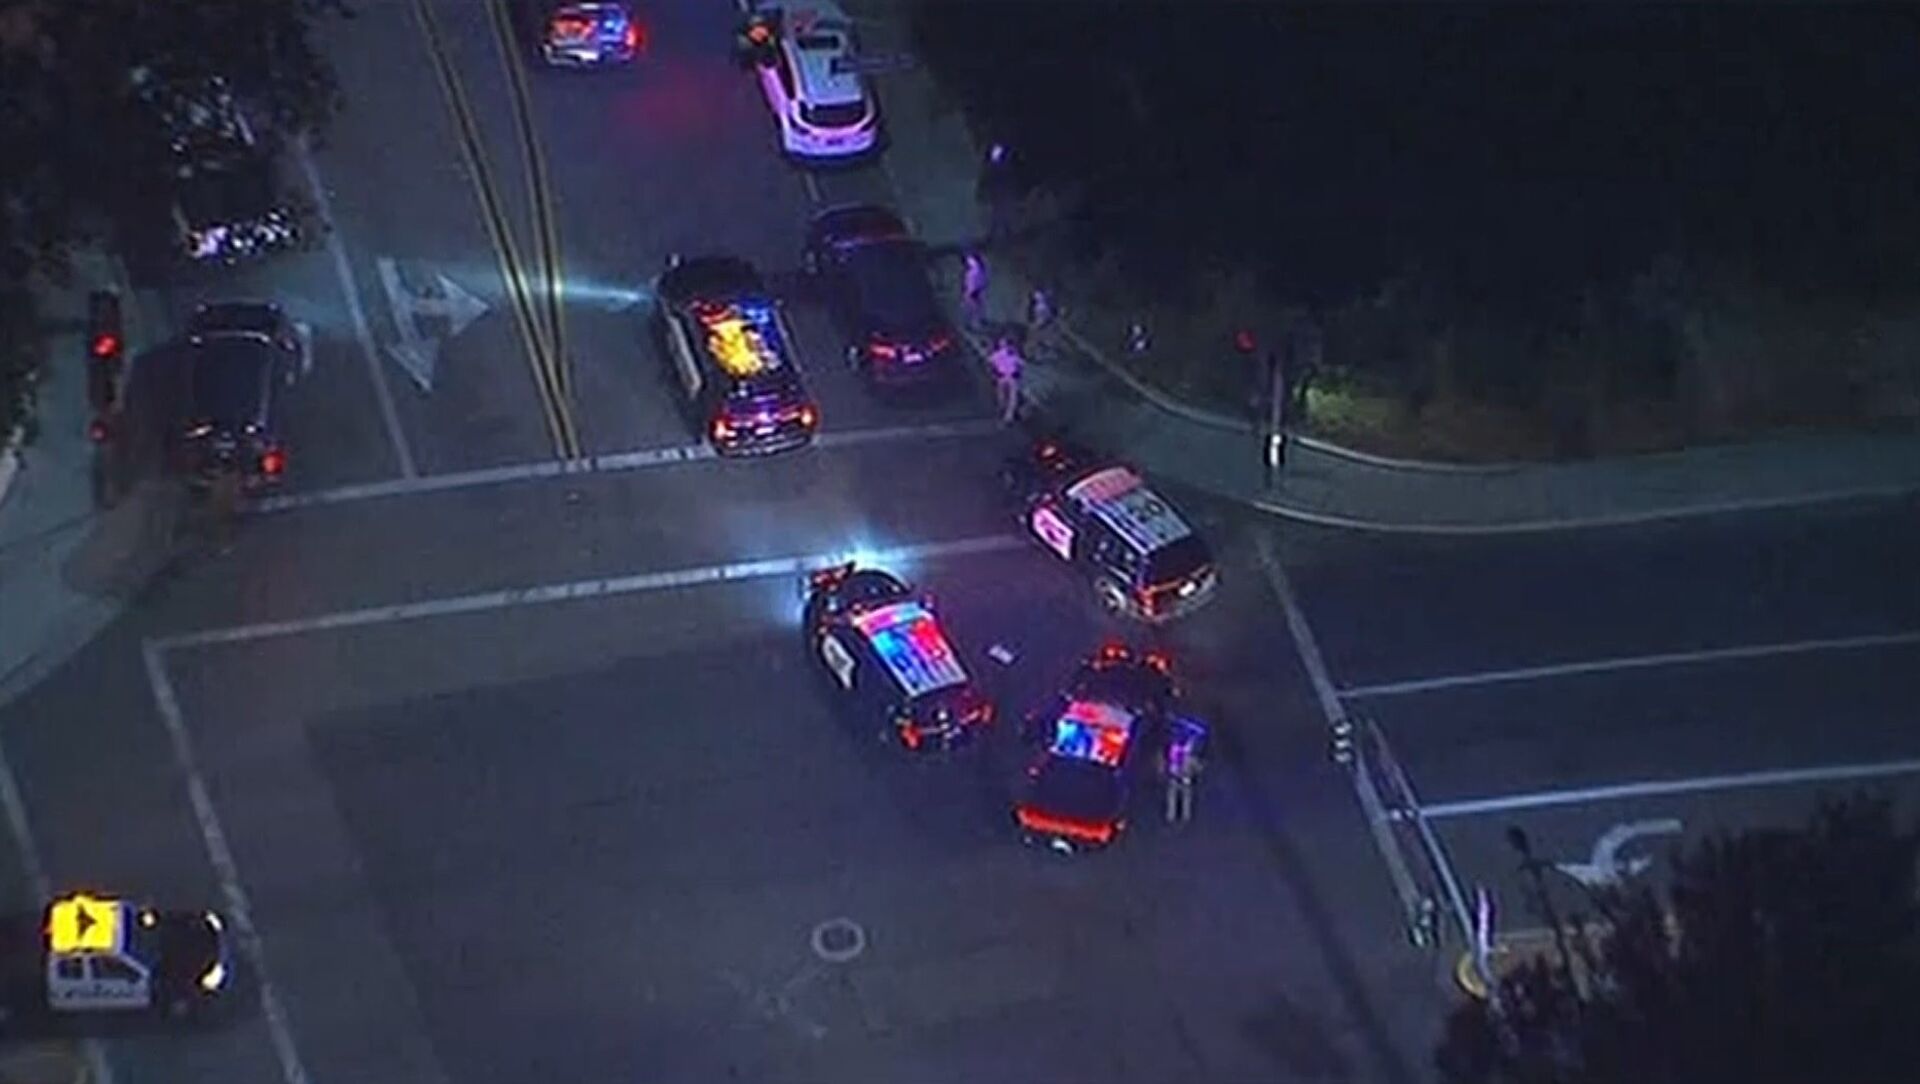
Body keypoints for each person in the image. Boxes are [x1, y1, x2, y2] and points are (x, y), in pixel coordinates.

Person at [988, 333, 1024, 426]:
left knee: (1003, 396)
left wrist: (995, 371)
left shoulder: (997, 354)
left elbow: (990, 362)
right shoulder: (1011, 353)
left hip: (1002, 377)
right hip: (1010, 377)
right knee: (1011, 397)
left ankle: (1003, 411)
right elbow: (1021, 363)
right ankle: (1008, 416)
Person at [961, 251, 989, 329]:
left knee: (978, 307)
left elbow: (982, 281)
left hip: (976, 291)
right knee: (971, 308)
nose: (970, 262)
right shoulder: (969, 273)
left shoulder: (978, 270)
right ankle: (973, 323)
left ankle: (978, 322)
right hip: (971, 292)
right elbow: (966, 283)